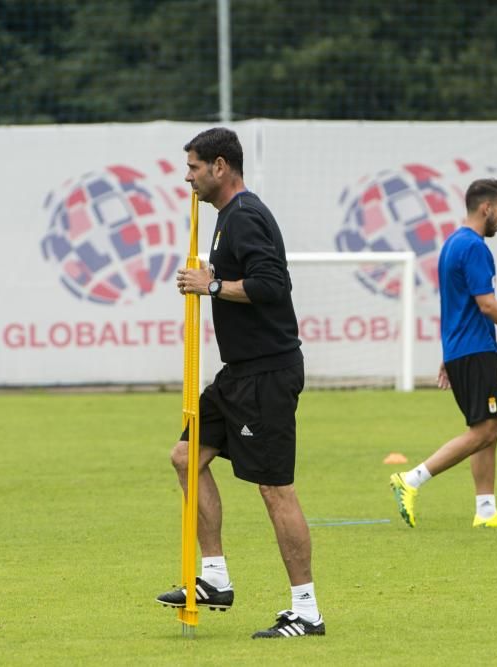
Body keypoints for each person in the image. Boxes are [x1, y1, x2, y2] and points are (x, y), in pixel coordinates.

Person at [155, 127, 324, 639]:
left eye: (194, 167)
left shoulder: (246, 215)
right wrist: (215, 277)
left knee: (275, 489)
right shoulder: (226, 220)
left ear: (220, 166)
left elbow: (272, 285)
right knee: (185, 458)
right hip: (237, 375)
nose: (188, 177)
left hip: (267, 373)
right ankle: (214, 578)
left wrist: (212, 284)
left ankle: (306, 610)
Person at [389, 178, 497, 529]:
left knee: (489, 427)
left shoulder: (451, 244)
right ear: (486, 208)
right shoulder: (475, 247)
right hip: (476, 350)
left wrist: (449, 356)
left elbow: (454, 306)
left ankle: (485, 510)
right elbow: (487, 305)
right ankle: (411, 479)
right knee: (484, 430)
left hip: (462, 350)